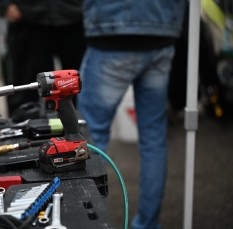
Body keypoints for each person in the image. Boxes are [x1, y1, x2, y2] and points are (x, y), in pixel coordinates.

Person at [78, 1, 185, 228]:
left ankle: (84, 221)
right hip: (162, 29)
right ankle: (147, 224)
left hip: (113, 27)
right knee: (153, 139)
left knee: (87, 139)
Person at [0, 0, 86, 116]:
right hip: (27, 18)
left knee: (80, 88)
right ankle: (24, 130)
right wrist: (4, 5)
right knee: (25, 96)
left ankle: (81, 130)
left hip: (76, 17)